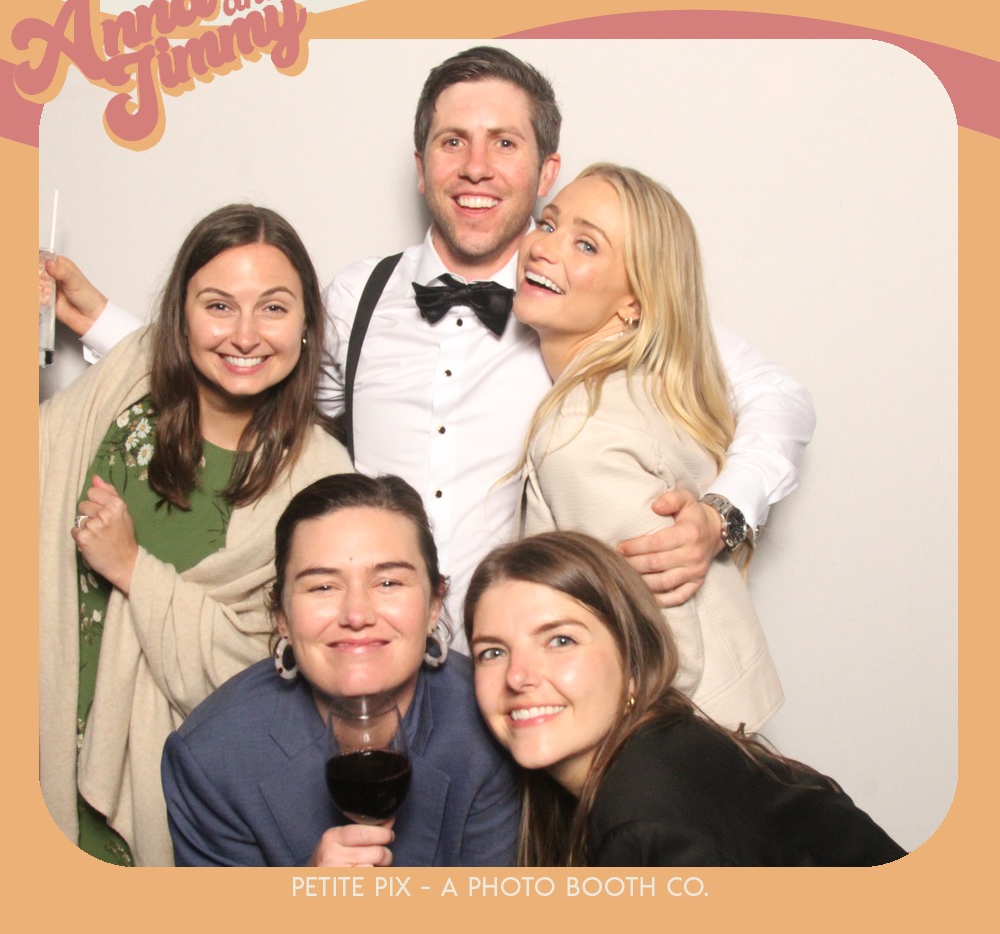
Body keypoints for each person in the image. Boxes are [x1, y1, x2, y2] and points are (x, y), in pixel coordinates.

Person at [49, 46, 816, 646]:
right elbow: (251, 370)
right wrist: (101, 323)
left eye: (504, 142)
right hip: (374, 662)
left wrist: (722, 513)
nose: (476, 167)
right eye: (454, 142)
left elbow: (777, 396)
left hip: (529, 672)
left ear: (546, 170)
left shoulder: (590, 304)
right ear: (422, 168)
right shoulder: (358, 295)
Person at [39, 204, 352, 866]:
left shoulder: (322, 476)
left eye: (273, 308)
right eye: (218, 306)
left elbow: (272, 676)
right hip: (44, 731)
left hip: (181, 783)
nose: (245, 334)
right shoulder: (122, 391)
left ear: (306, 325)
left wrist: (132, 568)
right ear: (181, 317)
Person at [511, 162, 781, 731]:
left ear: (633, 301)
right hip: (733, 731)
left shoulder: (580, 433)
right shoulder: (650, 386)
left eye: (586, 244)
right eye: (549, 224)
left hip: (674, 749)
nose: (544, 247)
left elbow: (668, 655)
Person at [465, 531, 907, 867]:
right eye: (492, 652)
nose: (518, 677)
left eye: (560, 641)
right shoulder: (669, 744)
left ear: (634, 663)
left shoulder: (644, 823)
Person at [161, 473, 519, 867]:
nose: (356, 615)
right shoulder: (211, 759)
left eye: (388, 582)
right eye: (323, 587)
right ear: (281, 616)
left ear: (435, 604)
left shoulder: (491, 724)